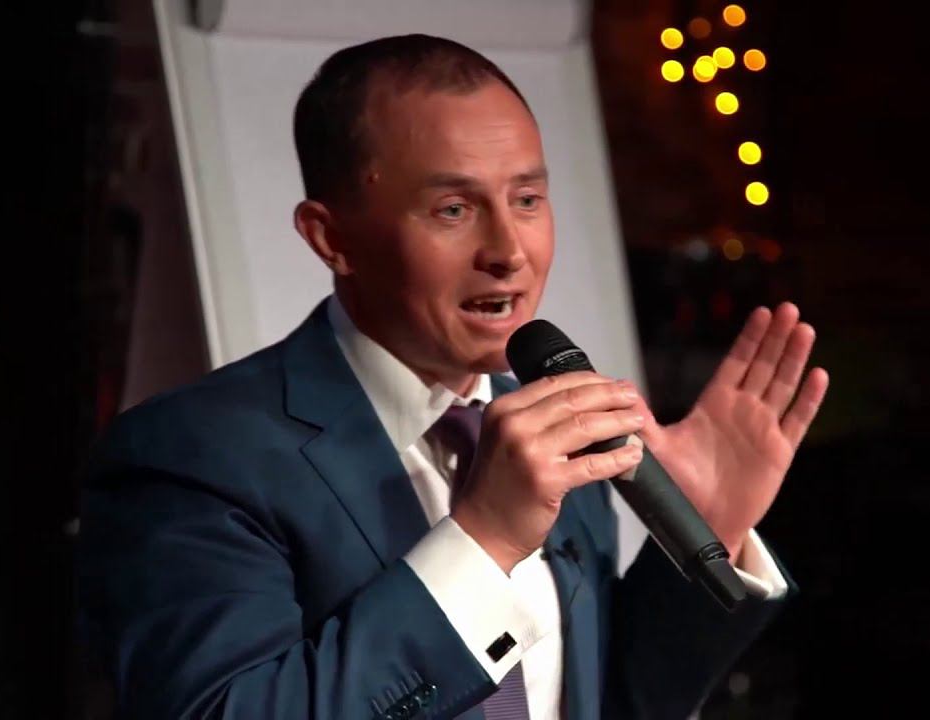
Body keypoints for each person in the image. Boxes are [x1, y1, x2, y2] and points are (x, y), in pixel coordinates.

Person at [77, 34, 829, 720]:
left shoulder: (556, 427)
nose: (509, 250)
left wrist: (709, 531)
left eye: (527, 200)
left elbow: (606, 701)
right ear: (331, 238)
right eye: (453, 208)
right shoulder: (191, 456)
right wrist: (484, 540)